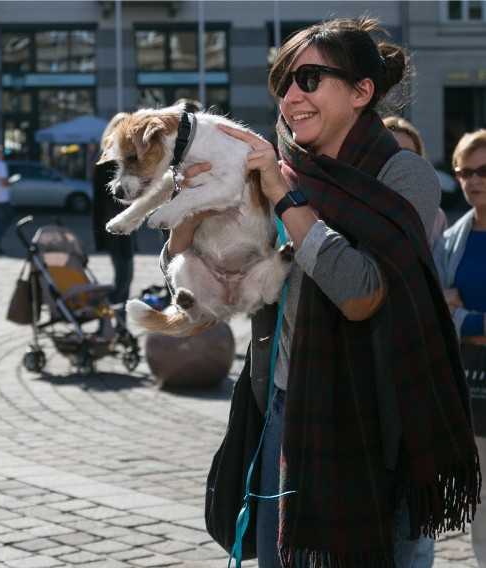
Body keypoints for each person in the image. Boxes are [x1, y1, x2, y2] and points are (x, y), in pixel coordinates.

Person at [167, 17, 479, 566]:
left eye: (309, 78)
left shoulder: (405, 175)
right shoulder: (275, 168)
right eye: (283, 79)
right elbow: (203, 280)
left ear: (362, 92)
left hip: (376, 421)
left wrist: (286, 198)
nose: (290, 95)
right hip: (285, 407)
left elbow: (360, 293)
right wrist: (186, 216)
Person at [433, 128, 486, 568]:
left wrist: (467, 319)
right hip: (475, 388)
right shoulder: (453, 238)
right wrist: (467, 323)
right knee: (483, 510)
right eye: (465, 172)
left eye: (484, 171)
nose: (473, 181)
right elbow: (437, 310)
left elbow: (454, 311)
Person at [92, 112, 135, 310]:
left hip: (121, 224)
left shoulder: (118, 157)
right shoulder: (109, 159)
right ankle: (107, 320)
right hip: (114, 226)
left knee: (125, 279)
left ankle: (120, 327)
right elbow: (107, 197)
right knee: (123, 279)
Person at [383, 115, 448, 246]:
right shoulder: (355, 205)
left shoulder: (436, 216)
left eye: (407, 154)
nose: (398, 160)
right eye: (389, 151)